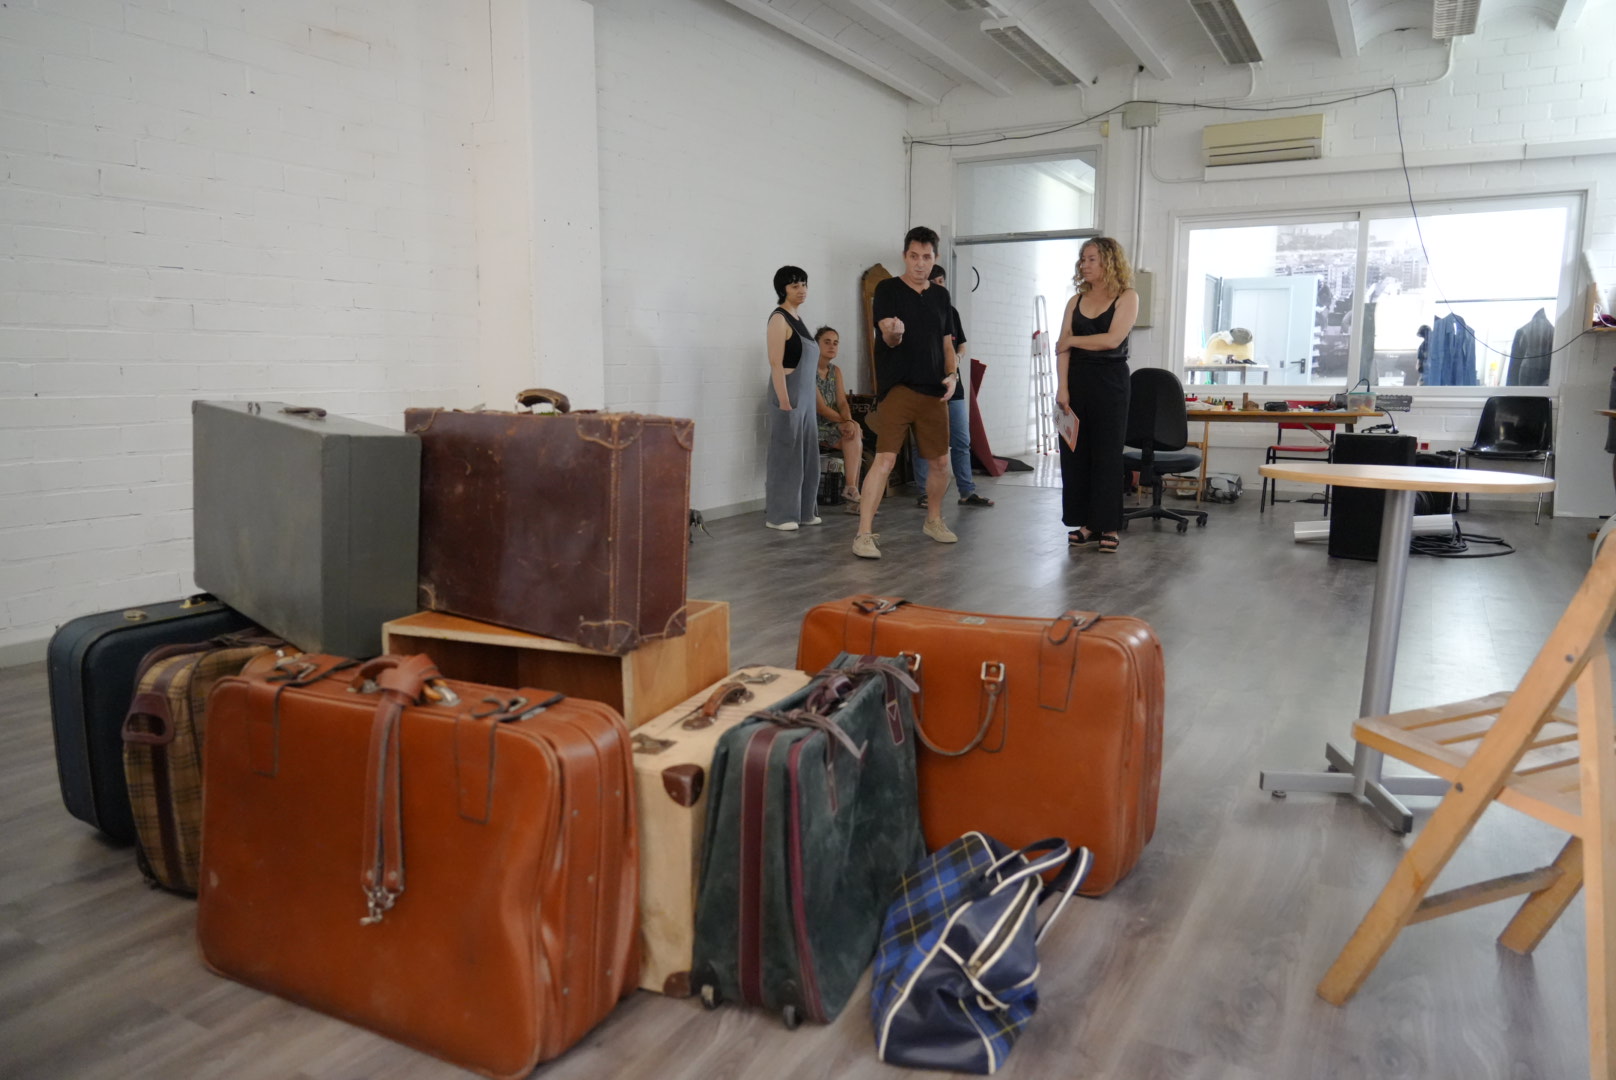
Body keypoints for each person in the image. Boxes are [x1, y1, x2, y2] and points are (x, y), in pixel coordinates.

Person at [853, 226, 959, 560]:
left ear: (935, 258)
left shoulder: (941, 296)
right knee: (885, 459)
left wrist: (953, 375)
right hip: (898, 388)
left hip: (933, 391)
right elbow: (887, 336)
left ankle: (933, 520)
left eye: (926, 257)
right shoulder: (888, 289)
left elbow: (947, 344)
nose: (919, 263)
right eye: (914, 256)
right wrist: (894, 333)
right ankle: (863, 534)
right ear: (905, 256)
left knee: (941, 463)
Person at [1056, 237, 1138, 554]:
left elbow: (1112, 339)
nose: (1084, 265)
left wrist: (1072, 341)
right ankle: (1088, 524)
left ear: (1108, 261)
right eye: (1083, 259)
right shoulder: (1075, 301)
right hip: (1076, 382)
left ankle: (1109, 525)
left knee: (1106, 456)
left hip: (1111, 383)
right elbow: (1061, 347)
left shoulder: (1127, 296)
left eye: (1091, 259)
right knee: (1076, 456)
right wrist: (1062, 388)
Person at [912, 265, 994, 510]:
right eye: (934, 281)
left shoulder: (951, 312)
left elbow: (961, 345)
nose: (939, 285)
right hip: (925, 386)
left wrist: (956, 358)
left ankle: (967, 491)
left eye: (942, 281)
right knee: (924, 441)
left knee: (961, 440)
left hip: (953, 384)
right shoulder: (916, 311)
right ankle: (924, 492)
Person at [763, 265, 821, 531]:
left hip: (806, 398)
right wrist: (785, 402)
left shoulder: (798, 319)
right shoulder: (779, 319)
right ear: (782, 289)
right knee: (786, 455)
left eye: (804, 284)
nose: (802, 290)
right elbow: (776, 364)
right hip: (788, 394)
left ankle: (804, 511)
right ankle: (780, 516)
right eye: (795, 285)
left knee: (807, 456)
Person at [812, 326, 863, 510]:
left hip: (835, 423)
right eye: (827, 342)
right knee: (854, 436)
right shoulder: (808, 371)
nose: (832, 346)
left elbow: (842, 402)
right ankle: (852, 493)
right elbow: (821, 408)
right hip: (814, 424)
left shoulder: (836, 371)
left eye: (835, 343)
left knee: (854, 433)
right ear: (816, 345)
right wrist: (845, 423)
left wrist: (849, 422)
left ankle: (851, 489)